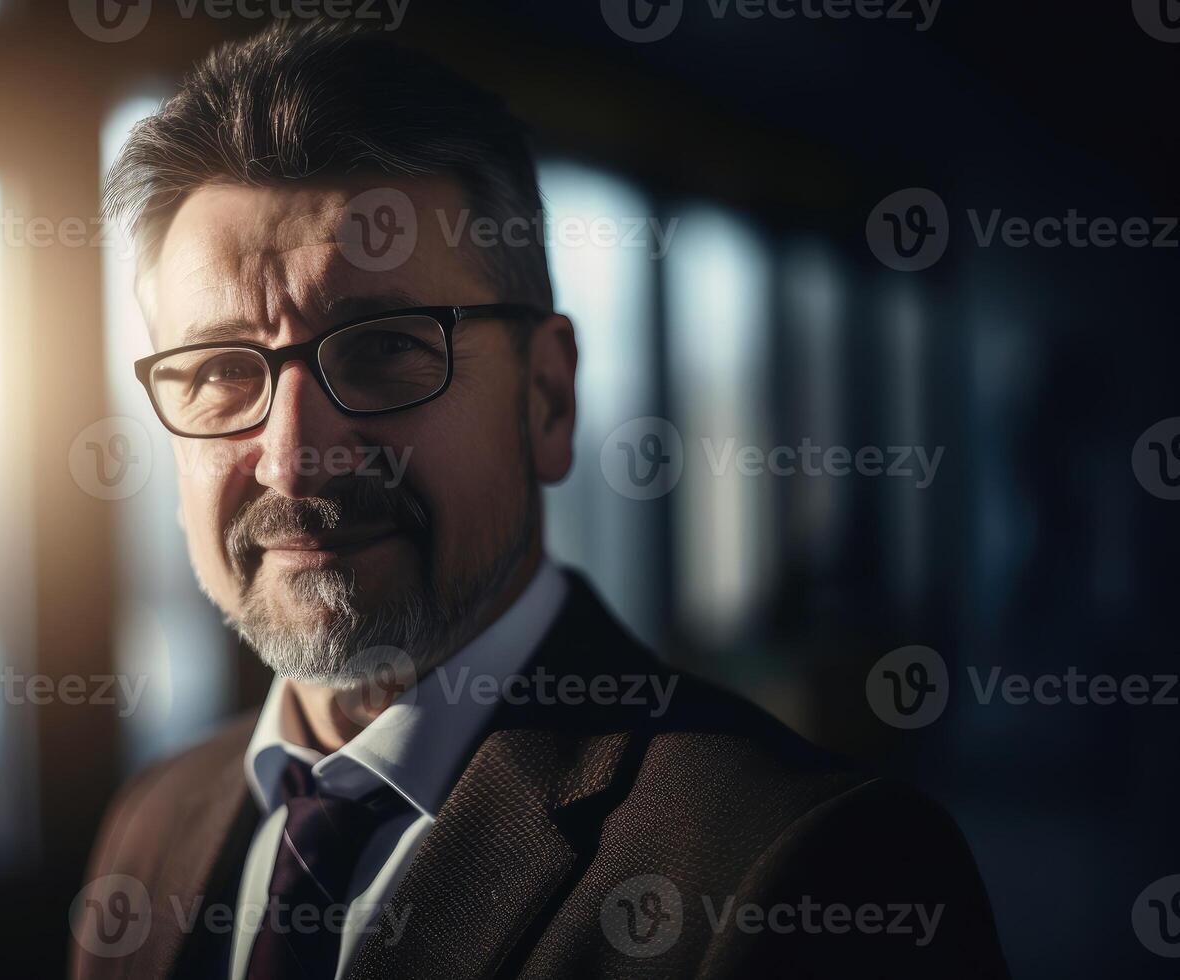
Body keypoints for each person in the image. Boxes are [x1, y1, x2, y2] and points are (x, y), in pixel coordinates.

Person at [71, 22, 1007, 980]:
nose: (294, 457)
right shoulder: (149, 827)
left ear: (547, 398)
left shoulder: (810, 874)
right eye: (223, 371)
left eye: (385, 347)